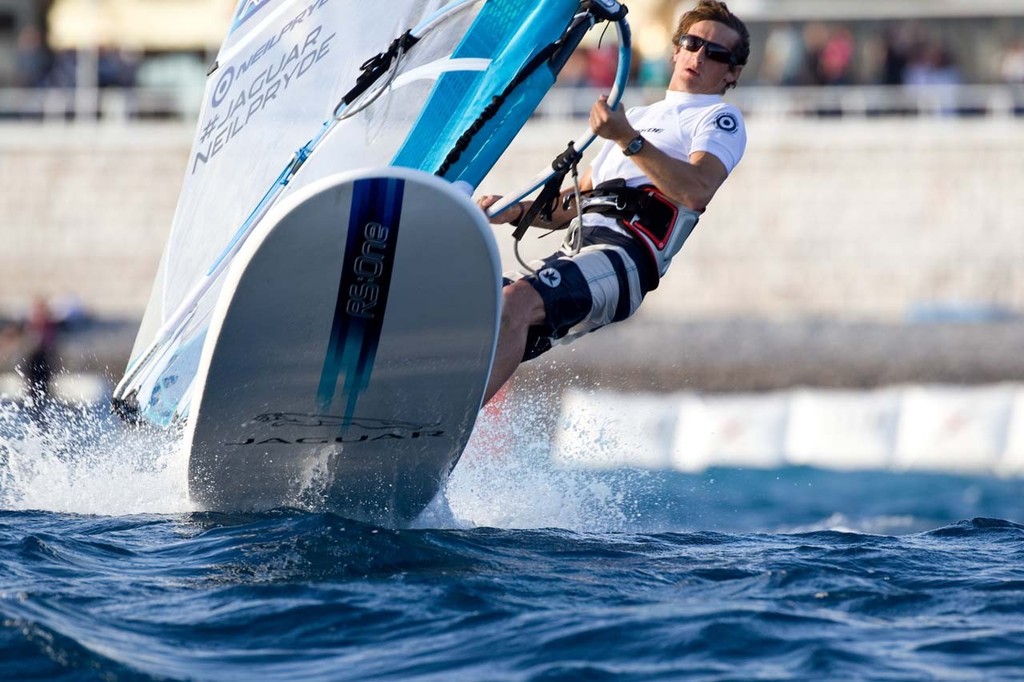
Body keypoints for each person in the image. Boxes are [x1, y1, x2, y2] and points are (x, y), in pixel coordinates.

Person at [476, 0, 750, 404]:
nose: (698, 56)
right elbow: (578, 202)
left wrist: (627, 138)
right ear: (676, 49)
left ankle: (445, 428)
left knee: (514, 303)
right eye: (692, 43)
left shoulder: (718, 119)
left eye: (715, 53)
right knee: (479, 307)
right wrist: (514, 211)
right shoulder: (635, 113)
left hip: (625, 260)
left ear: (732, 71)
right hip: (577, 251)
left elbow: (697, 190)